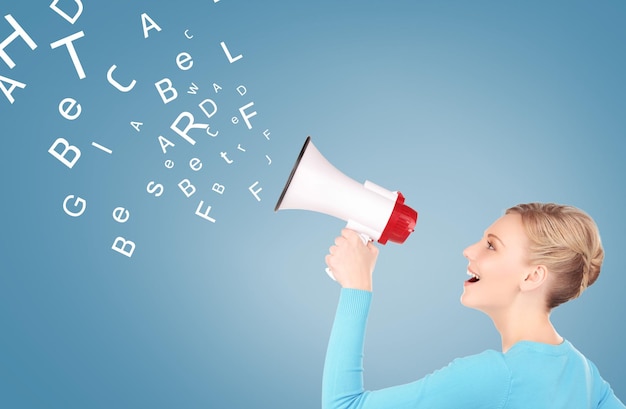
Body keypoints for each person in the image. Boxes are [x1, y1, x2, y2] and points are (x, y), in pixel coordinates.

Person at [322, 203, 624, 409]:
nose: (468, 250)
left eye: (491, 245)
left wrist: (356, 285)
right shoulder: (583, 373)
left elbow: (342, 406)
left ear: (533, 276)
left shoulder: (495, 375)